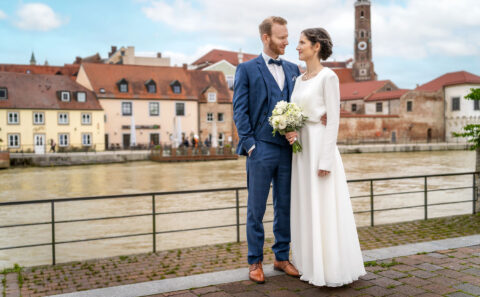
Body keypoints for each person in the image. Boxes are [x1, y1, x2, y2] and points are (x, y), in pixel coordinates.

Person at [285, 28, 366, 286]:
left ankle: (329, 268)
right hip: (301, 149)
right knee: (305, 204)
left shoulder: (329, 77)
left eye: (301, 43)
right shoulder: (299, 80)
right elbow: (295, 112)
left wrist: (326, 159)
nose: (297, 47)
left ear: (316, 46)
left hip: (320, 145)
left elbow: (333, 120)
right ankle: (308, 263)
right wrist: (289, 129)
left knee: (323, 205)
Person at [233, 16, 301, 284]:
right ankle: (255, 262)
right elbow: (239, 109)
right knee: (256, 209)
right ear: (266, 38)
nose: (287, 41)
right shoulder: (247, 69)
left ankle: (281, 257)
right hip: (260, 149)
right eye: (282, 37)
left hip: (287, 150)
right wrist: (249, 145)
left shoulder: (295, 69)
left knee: (285, 206)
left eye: (287, 36)